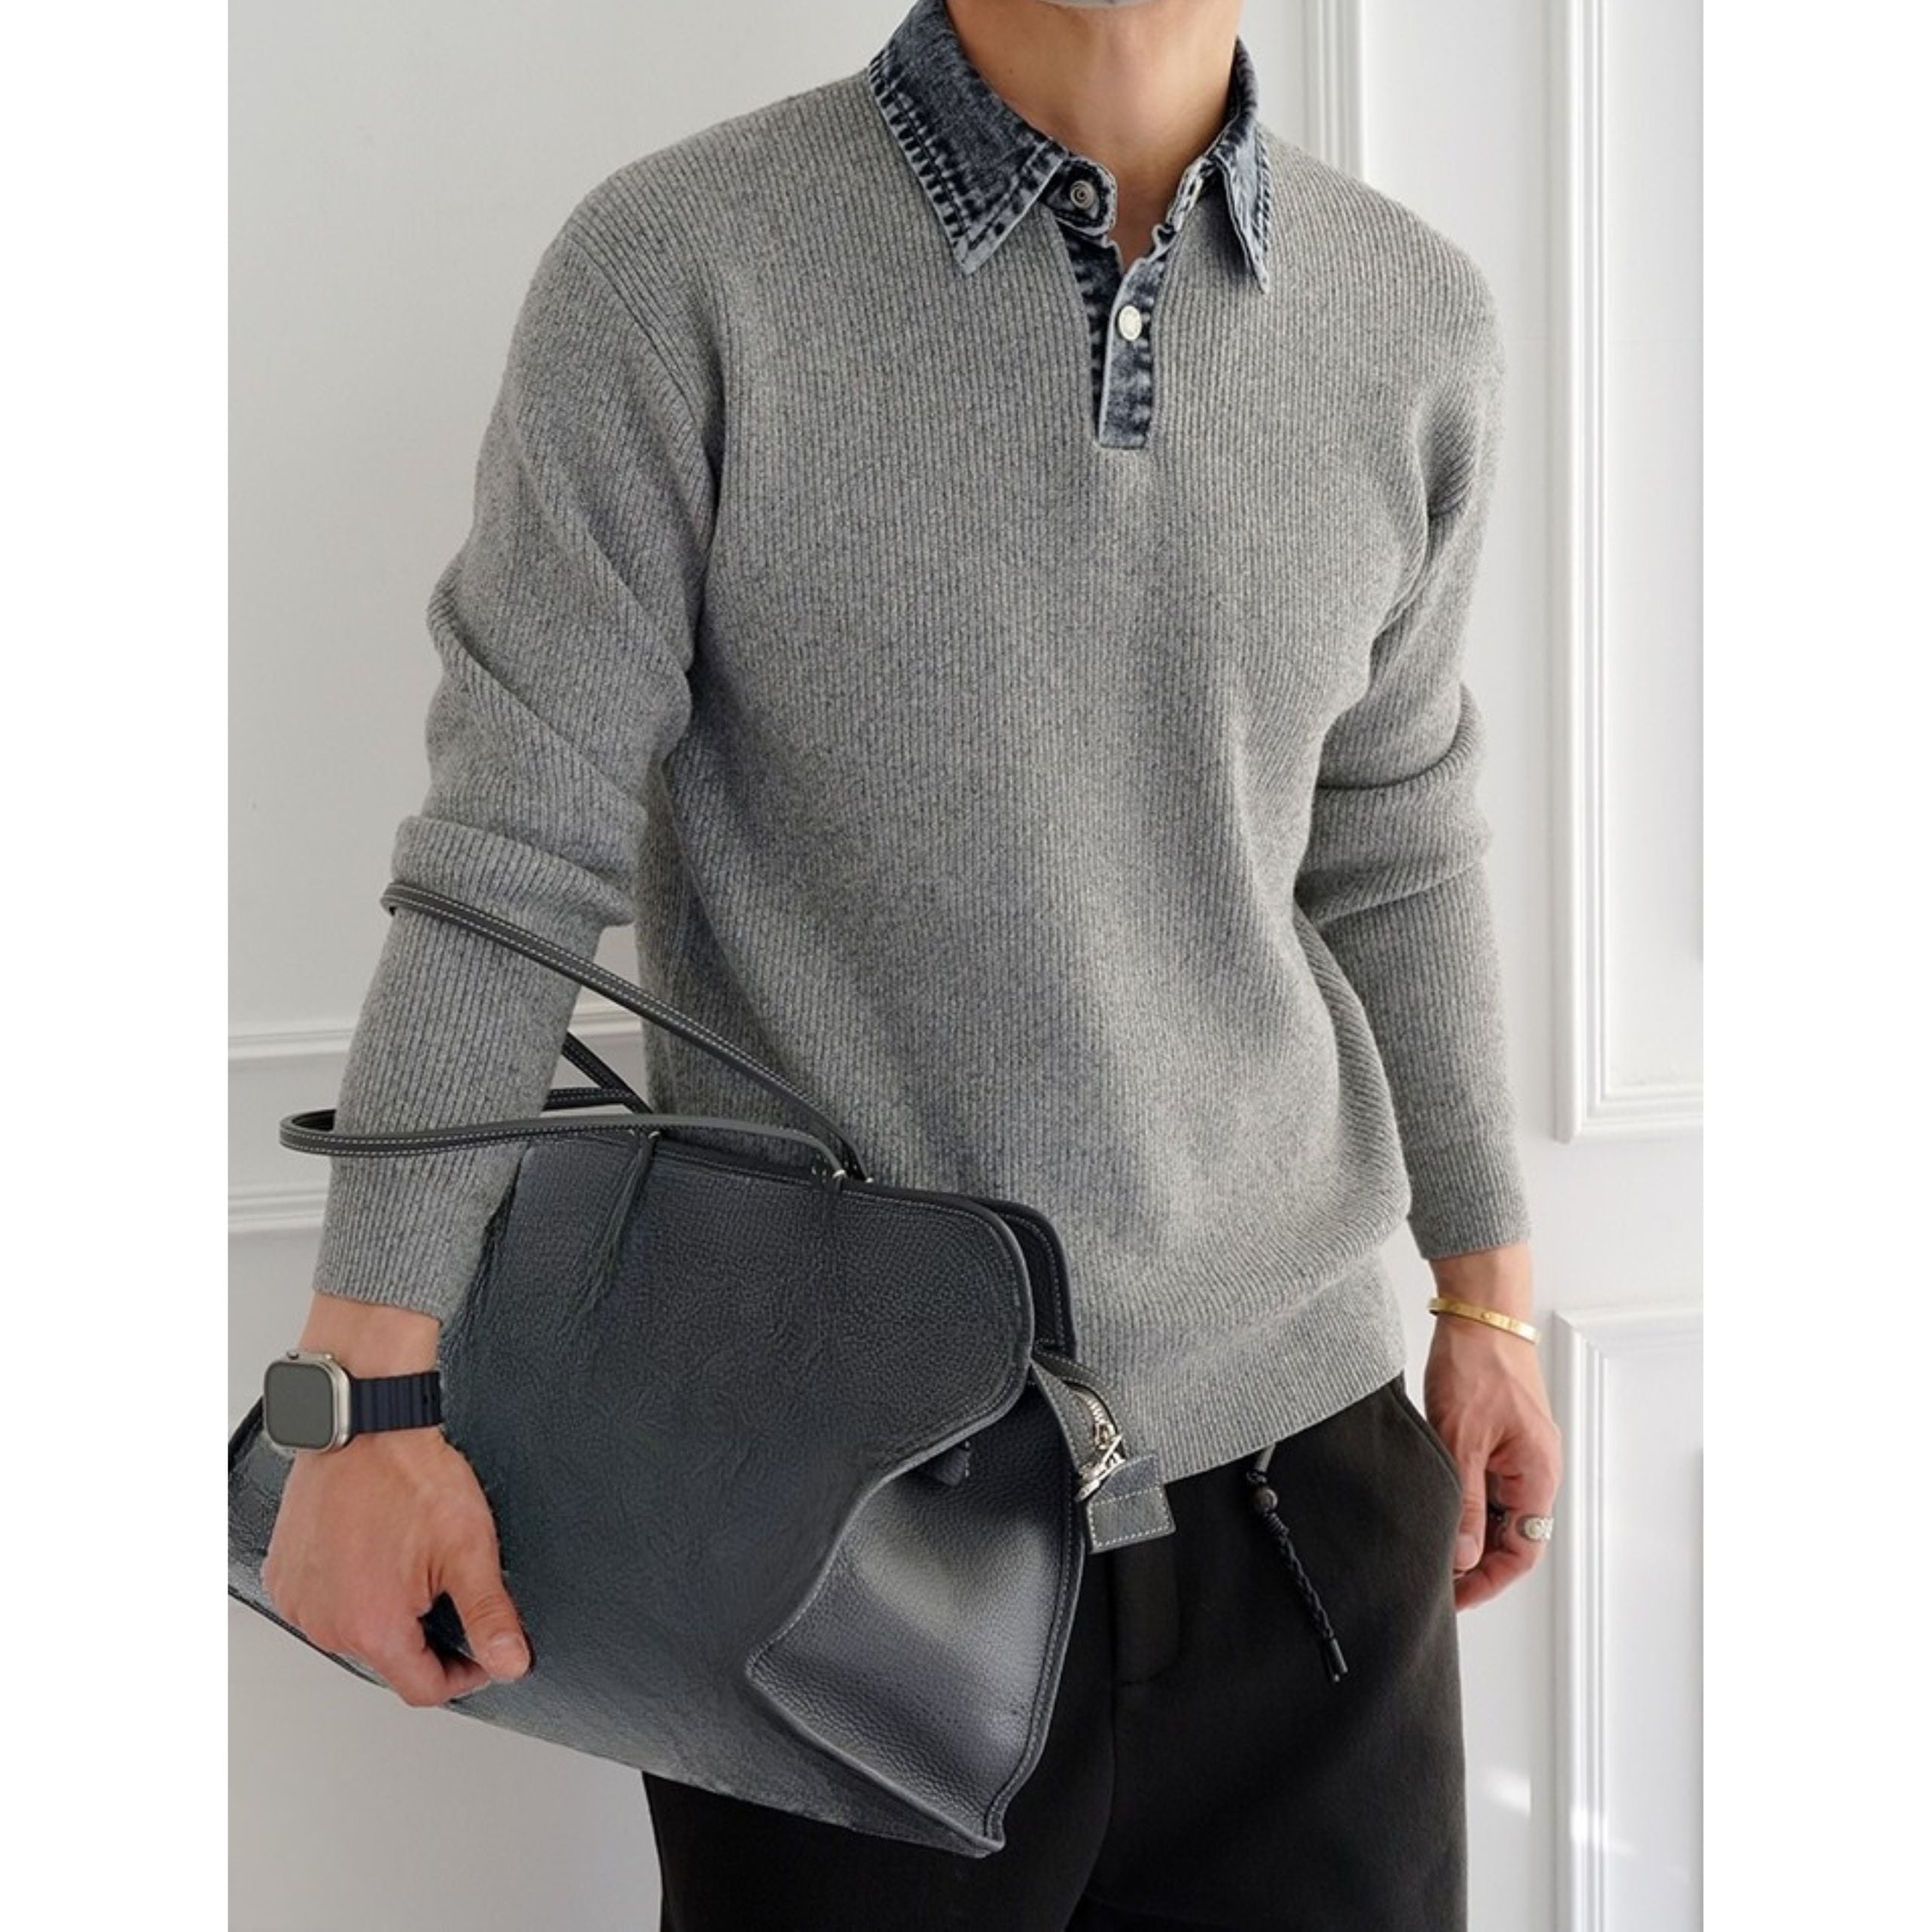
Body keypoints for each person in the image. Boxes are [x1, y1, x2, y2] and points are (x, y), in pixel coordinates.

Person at [259, 0, 1564, 1924]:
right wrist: (363, 1395)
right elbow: (509, 851)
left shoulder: (1412, 316)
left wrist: (1489, 1298)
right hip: (833, 1532)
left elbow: (1393, 833)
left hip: (1310, 1508)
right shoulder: (680, 270)